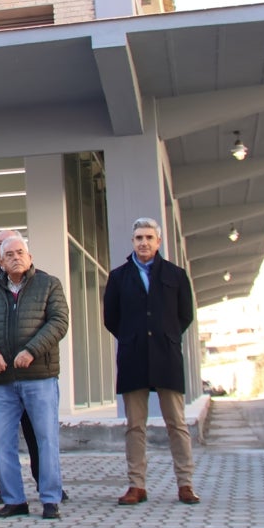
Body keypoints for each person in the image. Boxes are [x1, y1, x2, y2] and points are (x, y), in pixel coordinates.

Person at [103, 216, 200, 506]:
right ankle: (137, 485)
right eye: (138, 238)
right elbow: (111, 318)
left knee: (177, 423)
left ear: (158, 241)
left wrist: (166, 336)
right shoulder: (119, 276)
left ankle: (185, 484)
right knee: (135, 425)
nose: (143, 243)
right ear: (132, 242)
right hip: (133, 357)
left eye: (148, 237)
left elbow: (185, 315)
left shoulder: (176, 274)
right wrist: (133, 337)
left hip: (167, 356)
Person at [0, 235, 69, 519]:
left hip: (39, 376)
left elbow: (59, 322)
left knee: (46, 439)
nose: (16, 257)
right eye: (9, 254)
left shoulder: (48, 284)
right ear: (0, 261)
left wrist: (31, 350)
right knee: (2, 441)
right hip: (2, 380)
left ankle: (50, 499)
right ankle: (14, 499)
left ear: (29, 256)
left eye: (20, 252)